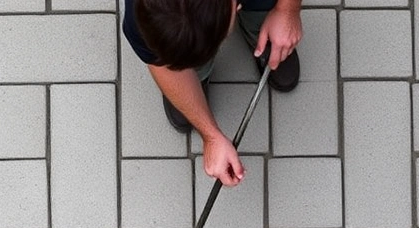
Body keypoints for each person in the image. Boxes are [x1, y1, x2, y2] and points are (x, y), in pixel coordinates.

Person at [123, 0, 303, 187]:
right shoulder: (141, 14)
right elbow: (160, 64)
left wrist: (287, 11)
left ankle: (263, 21)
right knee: (186, 62)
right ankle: (197, 70)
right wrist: (211, 136)